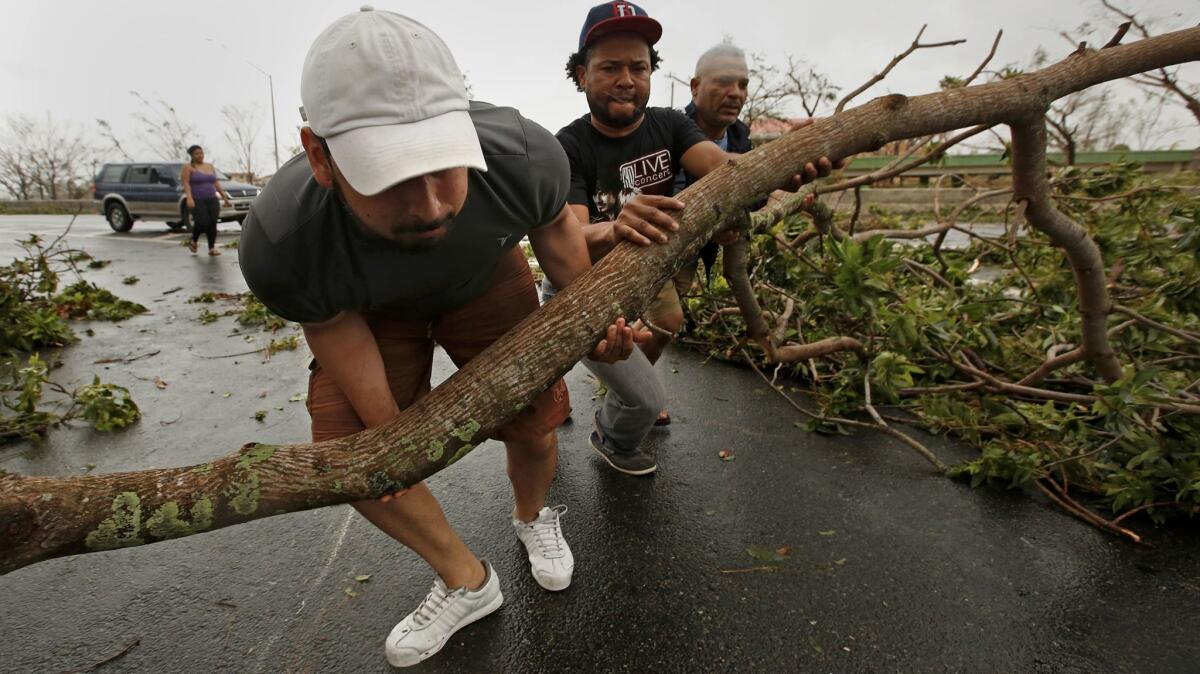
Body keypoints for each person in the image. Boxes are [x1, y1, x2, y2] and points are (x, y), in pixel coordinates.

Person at [238, 8, 646, 668]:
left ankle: (533, 515)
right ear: (320, 155)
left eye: (445, 165)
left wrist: (597, 325)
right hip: (368, 312)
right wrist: (390, 439)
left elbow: (570, 263)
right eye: (392, 175)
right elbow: (333, 326)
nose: (430, 206)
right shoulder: (283, 241)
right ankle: (466, 579)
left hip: (485, 280)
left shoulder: (522, 154)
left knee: (535, 420)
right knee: (359, 459)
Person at [555, 3, 834, 431]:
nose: (627, 80)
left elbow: (723, 166)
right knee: (567, 350)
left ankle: (625, 393)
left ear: (651, 72)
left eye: (639, 67)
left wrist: (783, 161)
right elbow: (571, 234)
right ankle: (564, 382)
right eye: (610, 67)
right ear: (581, 75)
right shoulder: (569, 145)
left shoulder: (670, 125)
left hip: (651, 259)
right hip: (588, 270)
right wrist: (614, 227)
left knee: (665, 323)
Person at [181, 145, 232, 256]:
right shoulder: (188, 167)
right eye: (196, 153)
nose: (200, 155)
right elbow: (186, 183)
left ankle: (211, 248)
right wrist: (189, 197)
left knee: (213, 222)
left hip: (212, 199)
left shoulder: (209, 166)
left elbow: (215, 182)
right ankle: (194, 241)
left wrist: (224, 196)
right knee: (202, 222)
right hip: (197, 199)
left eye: (201, 153)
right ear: (192, 155)